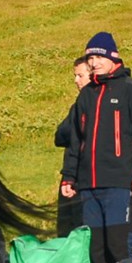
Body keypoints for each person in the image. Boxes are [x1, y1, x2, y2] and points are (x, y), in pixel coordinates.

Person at [60, 32, 132, 263]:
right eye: (90, 57)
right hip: (88, 186)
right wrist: (69, 177)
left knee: (118, 248)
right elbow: (75, 142)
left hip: (118, 183)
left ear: (113, 57)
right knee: (95, 252)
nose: (93, 62)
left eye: (98, 57)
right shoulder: (86, 95)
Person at [54, 56, 93, 235]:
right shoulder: (78, 104)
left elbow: (62, 134)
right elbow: (60, 135)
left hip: (80, 174)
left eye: (80, 76)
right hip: (75, 172)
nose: (76, 81)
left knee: (73, 226)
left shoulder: (83, 105)